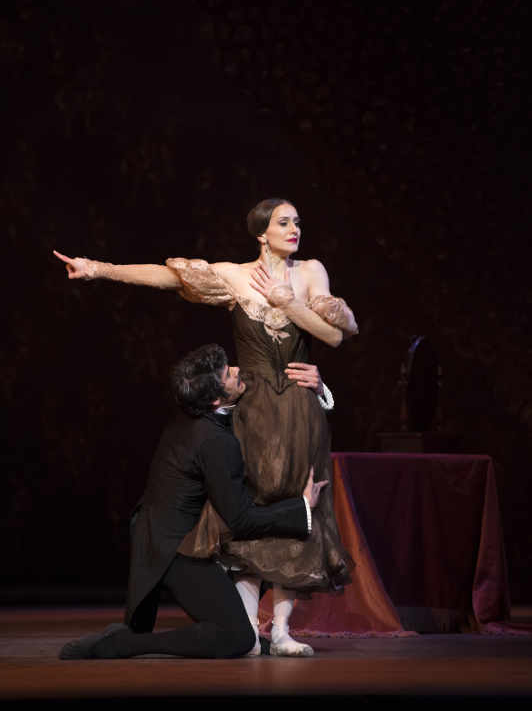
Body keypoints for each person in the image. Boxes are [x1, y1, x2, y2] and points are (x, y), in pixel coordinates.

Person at [54, 197, 358, 656]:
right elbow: (171, 276)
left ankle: (281, 630)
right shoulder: (236, 276)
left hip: (299, 409)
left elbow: (334, 335)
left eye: (297, 221)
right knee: (253, 504)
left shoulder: (311, 272)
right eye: (283, 222)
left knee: (301, 501)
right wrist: (102, 268)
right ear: (262, 234)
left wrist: (289, 303)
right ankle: (247, 626)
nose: (294, 228)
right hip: (253, 409)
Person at [60, 343, 328, 660]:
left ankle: (131, 639)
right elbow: (241, 520)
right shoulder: (214, 441)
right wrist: (301, 507)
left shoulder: (196, 413)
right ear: (216, 398)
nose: (239, 371)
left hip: (164, 531)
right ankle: (126, 644)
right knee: (238, 637)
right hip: (175, 548)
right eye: (229, 373)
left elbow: (266, 385)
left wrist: (318, 386)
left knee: (237, 631)